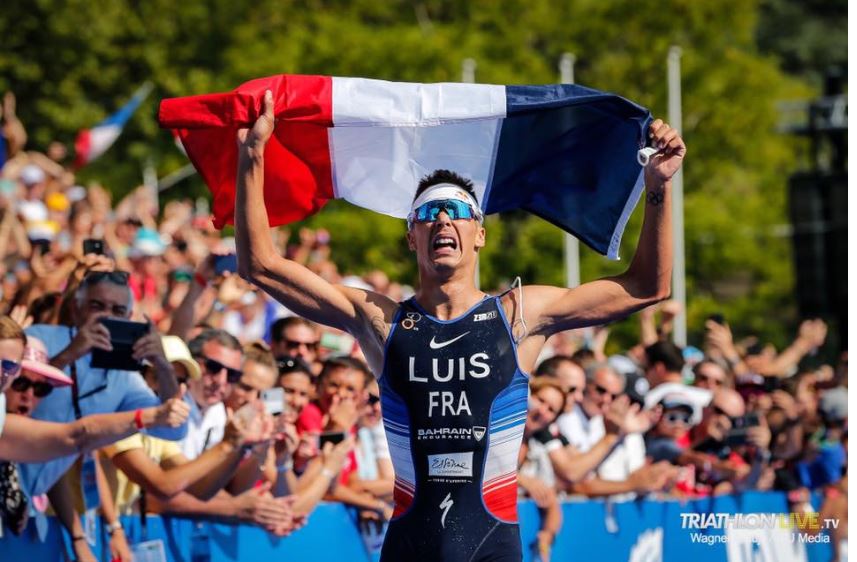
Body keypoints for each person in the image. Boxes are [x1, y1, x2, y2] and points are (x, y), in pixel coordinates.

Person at [234, 90, 684, 562]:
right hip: (411, 544)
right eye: (428, 213)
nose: (443, 219)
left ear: (480, 235)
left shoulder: (519, 316)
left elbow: (647, 287)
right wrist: (253, 158)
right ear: (413, 236)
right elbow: (260, 265)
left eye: (459, 211)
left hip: (492, 545)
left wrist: (659, 187)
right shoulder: (382, 321)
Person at [19, 270, 187, 497]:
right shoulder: (39, 337)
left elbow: (174, 430)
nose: (107, 317)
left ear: (128, 318)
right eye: (97, 306)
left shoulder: (126, 376)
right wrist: (69, 354)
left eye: (118, 310)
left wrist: (163, 366)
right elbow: (13, 394)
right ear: (76, 310)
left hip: (27, 498)